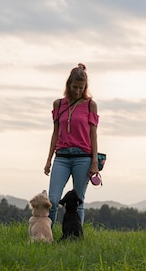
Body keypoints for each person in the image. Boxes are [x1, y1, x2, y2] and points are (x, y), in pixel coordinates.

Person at [44, 63, 99, 225]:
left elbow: (93, 135)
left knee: (78, 202)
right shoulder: (58, 104)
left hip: (83, 158)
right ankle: (47, 236)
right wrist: (48, 160)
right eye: (75, 87)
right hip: (61, 157)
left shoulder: (90, 105)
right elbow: (55, 133)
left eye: (81, 88)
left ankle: (76, 238)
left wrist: (94, 162)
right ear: (68, 85)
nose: (77, 91)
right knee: (53, 200)